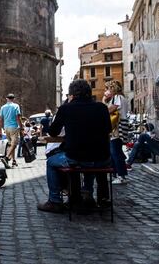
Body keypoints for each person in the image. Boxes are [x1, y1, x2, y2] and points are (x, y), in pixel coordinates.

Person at [39, 79, 111, 213]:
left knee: (51, 162)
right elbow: (108, 129)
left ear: (72, 95)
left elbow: (53, 132)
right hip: (102, 158)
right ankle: (87, 193)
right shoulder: (102, 108)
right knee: (89, 158)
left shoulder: (66, 108)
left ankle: (55, 201)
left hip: (77, 157)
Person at [103, 80, 128, 184]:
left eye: (107, 88)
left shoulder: (117, 98)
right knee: (116, 151)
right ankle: (118, 174)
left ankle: (120, 176)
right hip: (120, 126)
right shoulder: (122, 98)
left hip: (117, 128)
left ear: (112, 89)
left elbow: (108, 110)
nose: (106, 90)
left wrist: (104, 100)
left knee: (115, 152)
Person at [0, 93, 23, 167]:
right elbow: (18, 118)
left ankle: (13, 161)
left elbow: (0, 119)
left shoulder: (3, 107)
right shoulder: (16, 106)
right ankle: (6, 157)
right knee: (14, 145)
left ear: (7, 99)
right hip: (14, 127)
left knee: (11, 145)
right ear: (13, 99)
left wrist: (0, 130)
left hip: (6, 128)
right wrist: (21, 127)